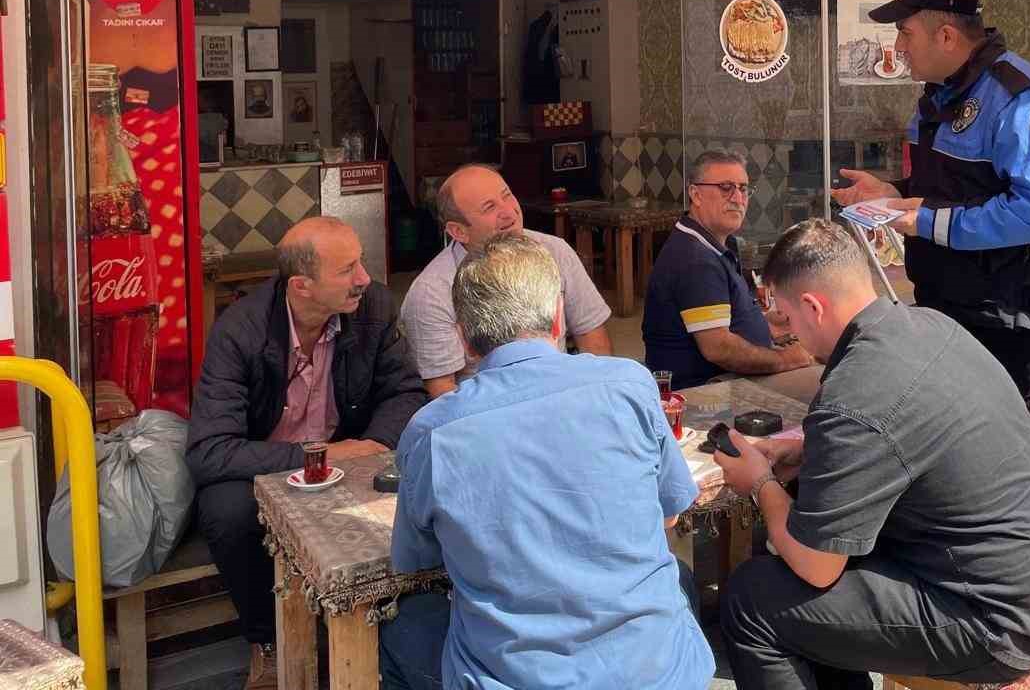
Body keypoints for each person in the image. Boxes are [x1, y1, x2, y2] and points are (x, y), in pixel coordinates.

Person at [715, 220, 1030, 690]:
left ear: (812, 306)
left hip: (991, 619)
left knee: (752, 599)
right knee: (807, 580)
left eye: (785, 320)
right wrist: (807, 447)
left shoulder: (854, 391)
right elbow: (908, 434)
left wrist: (760, 482)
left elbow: (816, 566)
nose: (788, 335)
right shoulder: (929, 326)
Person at [380, 233, 714, 690]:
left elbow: (417, 561)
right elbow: (670, 512)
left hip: (514, 677)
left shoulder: (433, 430)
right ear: (558, 316)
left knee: (401, 625)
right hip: (662, 672)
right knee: (677, 581)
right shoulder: (629, 384)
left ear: (464, 338)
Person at [832, 0, 1030, 510]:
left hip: (1025, 320)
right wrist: (890, 192)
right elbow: (951, 188)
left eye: (905, 34)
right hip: (958, 312)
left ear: (946, 35)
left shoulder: (1022, 98)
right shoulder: (939, 96)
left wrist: (923, 219)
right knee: (971, 463)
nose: (898, 48)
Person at [186, 217, 423, 690]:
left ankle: (385, 623)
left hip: (350, 454)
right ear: (302, 286)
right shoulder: (241, 330)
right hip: (273, 463)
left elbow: (406, 393)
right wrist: (320, 456)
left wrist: (371, 446)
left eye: (361, 263)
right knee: (225, 509)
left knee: (409, 476)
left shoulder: (373, 306)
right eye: (348, 269)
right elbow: (209, 451)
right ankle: (266, 642)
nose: (364, 278)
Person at [401, 163, 612, 398]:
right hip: (485, 415)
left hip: (559, 395)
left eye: (507, 196)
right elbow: (442, 392)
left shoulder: (555, 251)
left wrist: (595, 399)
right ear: (459, 231)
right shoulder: (430, 293)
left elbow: (591, 335)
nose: (510, 212)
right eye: (489, 207)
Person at [643, 150, 812, 390]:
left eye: (743, 189)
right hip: (708, 390)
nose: (737, 198)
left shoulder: (712, 242)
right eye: (725, 187)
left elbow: (719, 321)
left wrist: (766, 325)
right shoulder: (696, 259)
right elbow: (719, 348)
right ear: (695, 194)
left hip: (728, 379)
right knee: (824, 383)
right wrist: (786, 359)